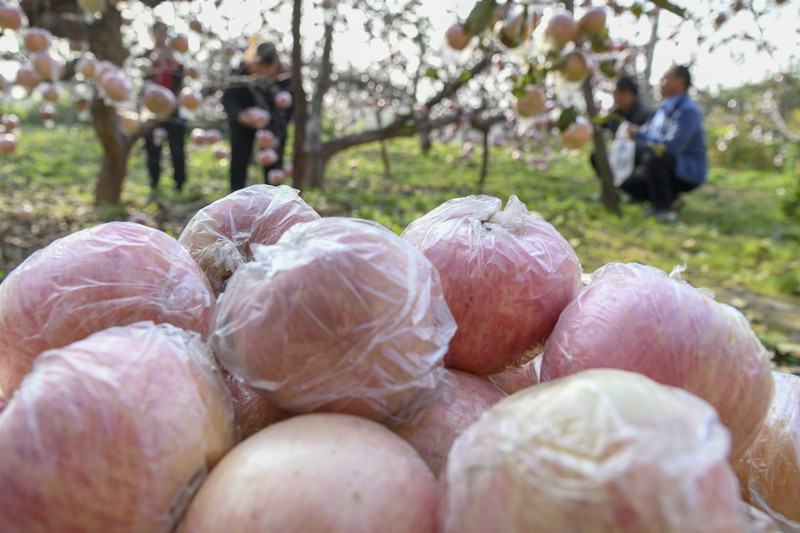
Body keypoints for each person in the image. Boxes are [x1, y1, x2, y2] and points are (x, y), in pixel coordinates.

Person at [621, 65, 708, 222]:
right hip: (663, 165)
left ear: (680, 81)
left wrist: (638, 134)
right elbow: (646, 135)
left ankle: (664, 208)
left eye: (665, 77)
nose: (660, 82)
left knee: (654, 157)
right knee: (627, 183)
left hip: (686, 170)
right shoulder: (662, 109)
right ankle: (670, 199)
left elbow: (673, 146)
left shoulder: (688, 110)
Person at [222, 39, 293, 192]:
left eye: (268, 68)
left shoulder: (285, 78)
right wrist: (240, 115)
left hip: (273, 127)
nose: (263, 73)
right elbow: (228, 98)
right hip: (243, 125)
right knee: (239, 160)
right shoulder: (241, 72)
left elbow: (290, 107)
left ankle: (272, 199)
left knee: (273, 162)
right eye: (260, 68)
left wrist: (277, 124)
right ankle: (236, 195)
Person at [143, 20, 186, 192]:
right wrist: (152, 64)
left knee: (177, 147)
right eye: (157, 31)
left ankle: (179, 182)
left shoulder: (176, 57)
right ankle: (154, 180)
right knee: (152, 146)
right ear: (152, 34)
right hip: (152, 109)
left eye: (163, 31)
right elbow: (142, 78)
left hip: (173, 109)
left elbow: (183, 78)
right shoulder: (146, 55)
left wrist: (171, 59)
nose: (160, 34)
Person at [590, 74, 652, 178]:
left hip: (634, 157)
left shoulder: (643, 114)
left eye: (617, 94)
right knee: (596, 156)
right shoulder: (618, 112)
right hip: (619, 155)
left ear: (628, 93)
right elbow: (604, 125)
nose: (615, 98)